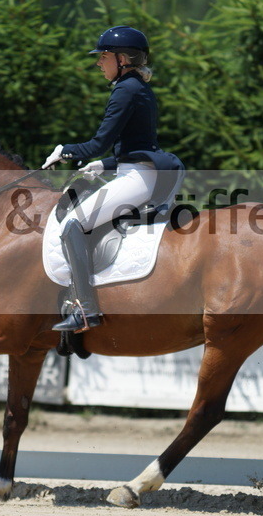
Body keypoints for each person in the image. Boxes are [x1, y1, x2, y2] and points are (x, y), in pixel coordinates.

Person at [41, 25, 184, 333]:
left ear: (122, 59)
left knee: (73, 227)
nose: (98, 63)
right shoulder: (137, 87)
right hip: (135, 171)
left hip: (137, 179)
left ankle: (85, 310)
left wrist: (65, 151)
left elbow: (98, 142)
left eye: (103, 57)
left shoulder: (126, 89)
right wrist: (102, 165)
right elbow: (136, 145)